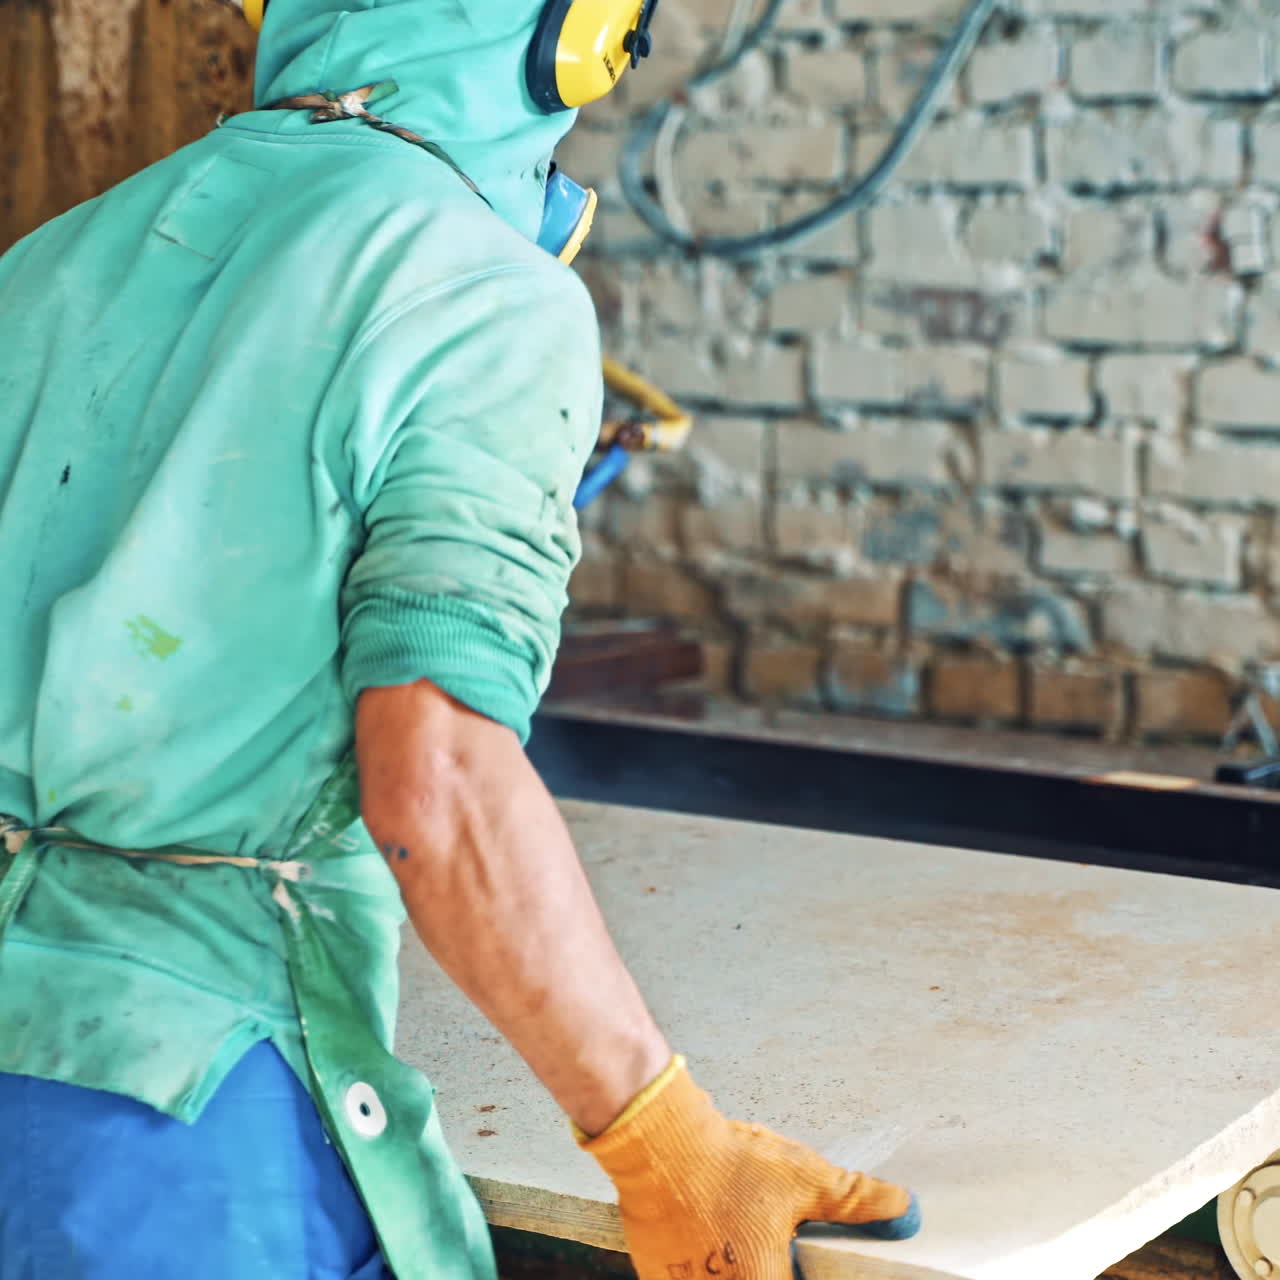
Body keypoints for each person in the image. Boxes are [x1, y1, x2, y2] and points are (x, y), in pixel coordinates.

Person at [0, 2, 921, 1276]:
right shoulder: (485, 297)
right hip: (168, 1149)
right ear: (582, 35)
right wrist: (667, 1146)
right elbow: (432, 785)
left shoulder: (45, 263)